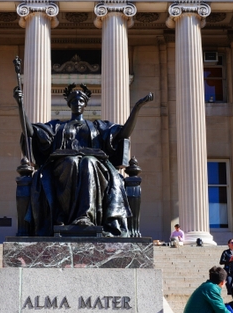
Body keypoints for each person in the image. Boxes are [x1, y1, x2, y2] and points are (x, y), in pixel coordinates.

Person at [14, 82, 153, 237]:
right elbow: (30, 132)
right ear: (69, 104)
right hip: (62, 166)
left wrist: (137, 108)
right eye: (73, 101)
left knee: (88, 162)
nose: (77, 103)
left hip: (94, 167)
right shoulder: (58, 127)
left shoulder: (98, 127)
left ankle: (85, 216)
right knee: (71, 162)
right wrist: (20, 106)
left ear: (85, 104)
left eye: (80, 101)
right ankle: (63, 216)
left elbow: (123, 134)